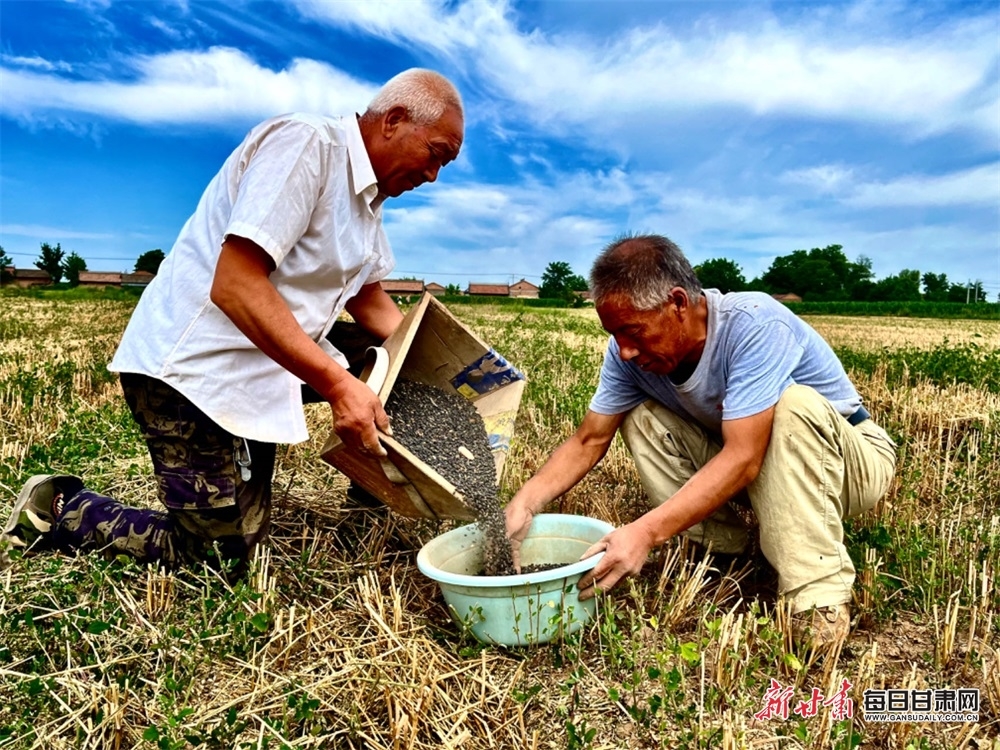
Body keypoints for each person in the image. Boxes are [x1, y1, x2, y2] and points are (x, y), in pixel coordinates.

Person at [3, 68, 464, 575]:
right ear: (394, 120)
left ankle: (371, 504)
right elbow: (236, 284)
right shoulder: (306, 146)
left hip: (267, 361)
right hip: (194, 376)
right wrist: (338, 385)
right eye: (437, 154)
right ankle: (61, 507)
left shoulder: (368, 203)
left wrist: (445, 366)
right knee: (219, 561)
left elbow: (370, 301)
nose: (434, 176)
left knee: (395, 366)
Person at [504, 234, 896, 649]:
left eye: (633, 331)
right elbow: (590, 439)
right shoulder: (628, 355)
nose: (625, 351)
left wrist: (645, 533)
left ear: (677, 303)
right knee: (640, 416)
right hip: (759, 466)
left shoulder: (755, 324)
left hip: (846, 462)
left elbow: (745, 457)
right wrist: (526, 502)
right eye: (615, 335)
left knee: (791, 406)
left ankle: (817, 596)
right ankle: (722, 550)